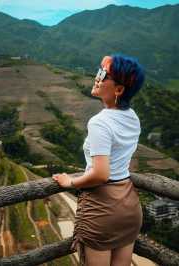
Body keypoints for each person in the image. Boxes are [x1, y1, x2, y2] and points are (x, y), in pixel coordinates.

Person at [52, 54, 145, 266]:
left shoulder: (99, 123)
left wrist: (70, 182)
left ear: (119, 89)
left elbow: (101, 174)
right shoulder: (133, 117)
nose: (97, 77)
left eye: (103, 74)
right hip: (129, 205)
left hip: (103, 208)